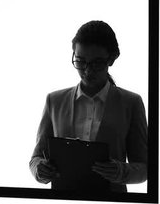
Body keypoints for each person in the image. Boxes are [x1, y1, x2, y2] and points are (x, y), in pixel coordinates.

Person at [28, 20, 147, 193]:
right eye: (80, 61)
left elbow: (145, 167)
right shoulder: (54, 101)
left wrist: (121, 171)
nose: (87, 71)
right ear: (73, 55)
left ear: (112, 59)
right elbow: (36, 158)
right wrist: (40, 169)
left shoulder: (131, 103)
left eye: (97, 63)